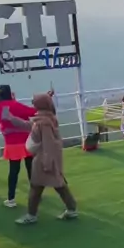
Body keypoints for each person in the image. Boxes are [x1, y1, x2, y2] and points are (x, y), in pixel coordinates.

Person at [15, 94, 78, 225]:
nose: (33, 104)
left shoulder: (43, 122)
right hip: (50, 158)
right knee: (58, 184)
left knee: (36, 187)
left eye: (34, 102)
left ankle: (31, 215)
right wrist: (11, 119)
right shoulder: (47, 118)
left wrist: (47, 163)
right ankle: (71, 209)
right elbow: (29, 126)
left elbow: (48, 143)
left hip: (43, 159)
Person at [0, 84, 36, 208]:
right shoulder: (16, 105)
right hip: (27, 141)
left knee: (13, 171)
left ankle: (11, 199)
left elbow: (5, 119)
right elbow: (32, 112)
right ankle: (36, 194)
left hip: (13, 144)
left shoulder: (1, 107)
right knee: (31, 168)